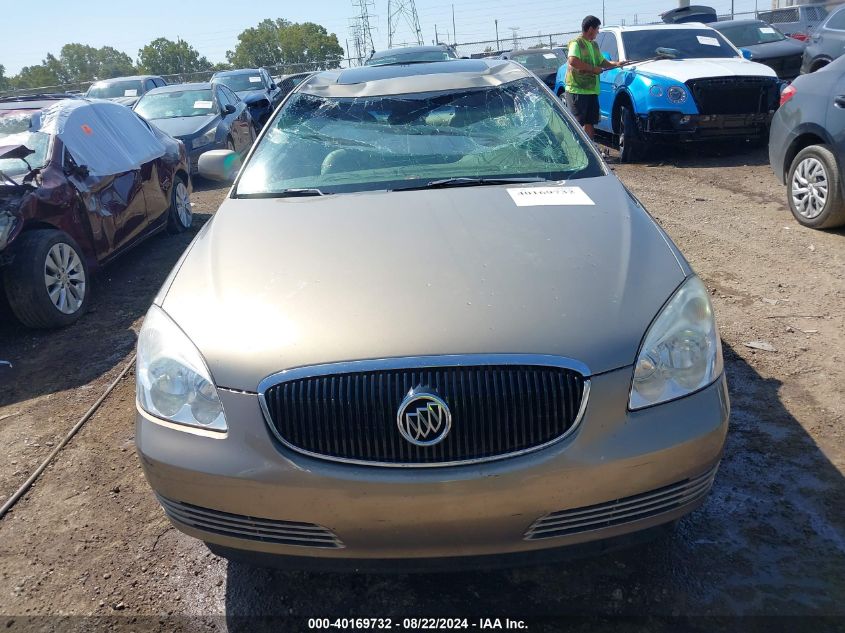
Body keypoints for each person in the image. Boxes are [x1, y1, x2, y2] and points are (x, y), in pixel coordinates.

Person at [564, 15, 626, 140]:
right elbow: (573, 61)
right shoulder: (577, 43)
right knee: (577, 124)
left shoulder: (594, 45)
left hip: (591, 91)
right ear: (591, 28)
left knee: (590, 123)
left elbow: (601, 61)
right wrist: (593, 69)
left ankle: (589, 153)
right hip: (577, 91)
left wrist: (617, 63)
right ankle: (575, 152)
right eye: (597, 28)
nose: (598, 31)